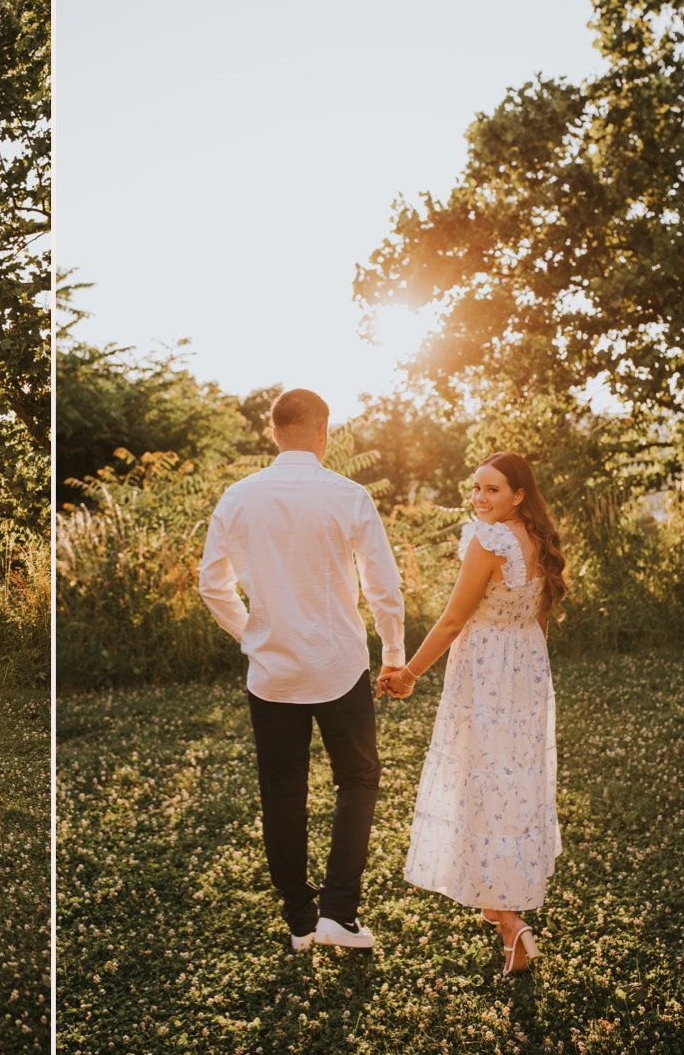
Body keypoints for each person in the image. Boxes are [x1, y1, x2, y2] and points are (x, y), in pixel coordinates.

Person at [199, 389, 406, 951]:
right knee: (359, 778)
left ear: (273, 433)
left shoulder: (237, 498)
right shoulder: (348, 495)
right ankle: (339, 911)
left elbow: (212, 586)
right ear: (323, 433)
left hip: (272, 674)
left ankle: (299, 921)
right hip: (340, 665)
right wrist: (393, 655)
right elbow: (383, 587)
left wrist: (253, 635)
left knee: (282, 793)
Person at [377, 451, 567, 976]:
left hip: (485, 671)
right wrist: (531, 675)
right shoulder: (539, 538)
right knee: (511, 785)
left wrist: (408, 672)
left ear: (518, 495)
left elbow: (452, 620)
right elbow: (541, 616)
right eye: (477, 487)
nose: (480, 498)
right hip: (526, 666)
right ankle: (499, 904)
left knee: (484, 788)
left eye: (492, 490)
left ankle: (509, 921)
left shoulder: (489, 540)